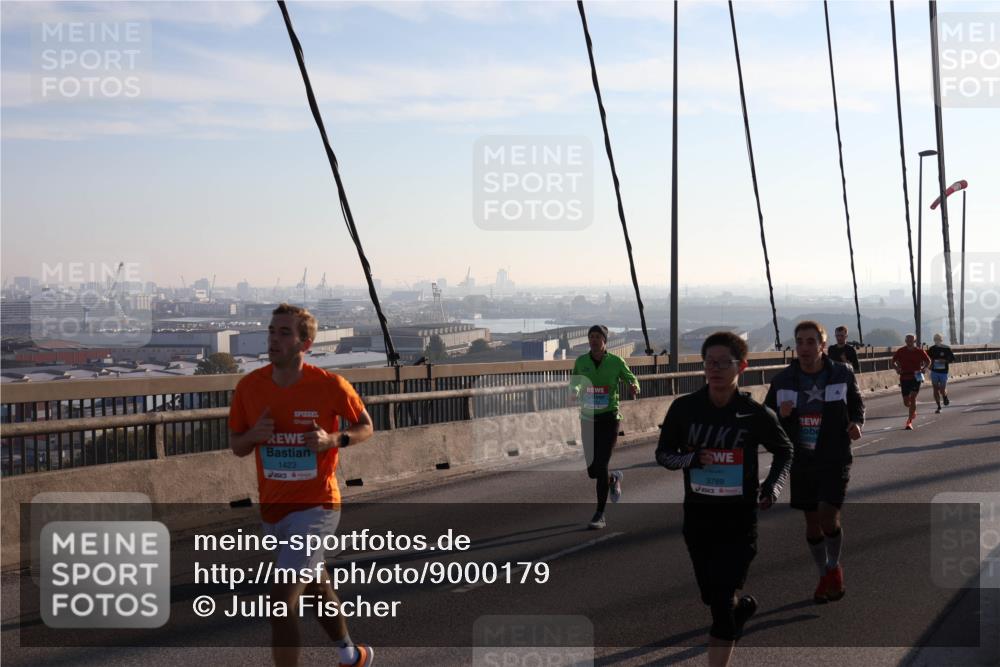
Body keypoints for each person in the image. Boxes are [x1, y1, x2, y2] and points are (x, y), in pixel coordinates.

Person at [229, 304, 375, 667]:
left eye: (284, 333)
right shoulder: (249, 387)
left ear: (305, 344)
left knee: (280, 602)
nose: (273, 339)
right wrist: (254, 435)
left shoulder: (329, 385)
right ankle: (351, 654)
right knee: (317, 588)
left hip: (317, 506)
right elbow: (237, 446)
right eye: (271, 331)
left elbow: (366, 426)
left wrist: (333, 440)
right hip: (274, 509)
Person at [657, 331, 793, 667]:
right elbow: (663, 454)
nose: (715, 369)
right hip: (698, 519)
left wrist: (772, 487)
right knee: (713, 597)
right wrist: (691, 459)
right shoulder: (684, 408)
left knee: (719, 605)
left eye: (723, 363)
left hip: (739, 521)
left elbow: (784, 450)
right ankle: (740, 611)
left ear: (741, 366)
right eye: (709, 362)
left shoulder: (754, 413)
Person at [765, 321, 864, 604]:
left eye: (811, 342)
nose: (804, 347)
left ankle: (833, 567)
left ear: (823, 346)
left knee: (827, 515)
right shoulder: (783, 380)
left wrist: (856, 423)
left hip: (834, 455)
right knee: (812, 523)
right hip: (802, 459)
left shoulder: (842, 373)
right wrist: (781, 415)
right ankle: (823, 575)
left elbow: (856, 404)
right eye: (799, 342)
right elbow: (766, 418)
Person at [568, 324, 639, 530]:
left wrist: (634, 386)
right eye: (591, 336)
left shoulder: (616, 361)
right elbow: (576, 381)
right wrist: (575, 390)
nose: (594, 340)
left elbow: (630, 377)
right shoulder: (581, 361)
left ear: (605, 340)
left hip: (610, 418)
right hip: (588, 419)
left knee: (602, 465)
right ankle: (613, 478)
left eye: (598, 336)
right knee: (593, 471)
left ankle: (600, 514)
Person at [892, 334, 932, 430]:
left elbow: (928, 361)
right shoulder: (901, 351)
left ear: (914, 341)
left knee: (913, 397)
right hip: (904, 377)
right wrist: (897, 369)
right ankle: (912, 409)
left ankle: (909, 422)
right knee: (906, 402)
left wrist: (924, 368)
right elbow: (893, 362)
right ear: (905, 341)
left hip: (916, 376)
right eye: (908, 340)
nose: (910, 342)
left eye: (912, 340)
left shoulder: (919, 351)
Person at [927, 333, 957, 413]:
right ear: (934, 340)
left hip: (943, 372)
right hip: (934, 371)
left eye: (939, 339)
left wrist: (945, 361)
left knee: (942, 390)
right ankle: (938, 406)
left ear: (941, 340)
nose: (937, 341)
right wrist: (929, 365)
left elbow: (953, 359)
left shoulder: (946, 348)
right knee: (935, 389)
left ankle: (945, 396)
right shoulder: (931, 349)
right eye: (936, 339)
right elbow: (927, 359)